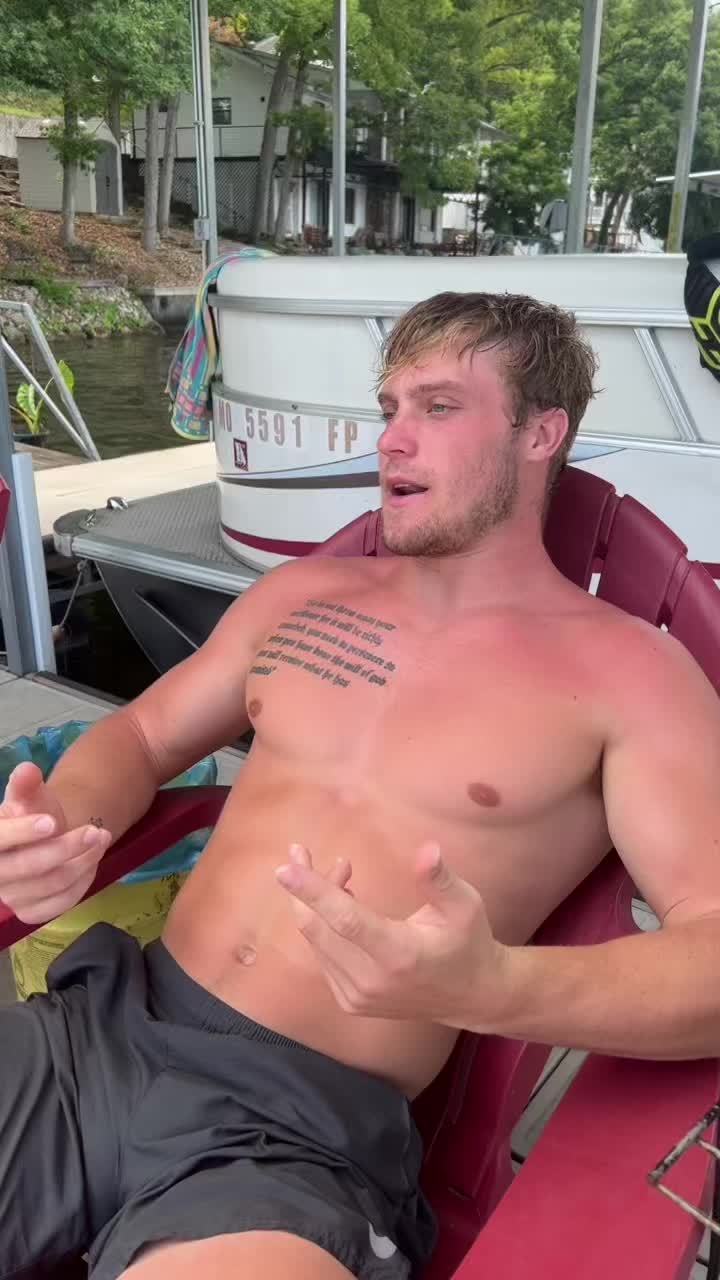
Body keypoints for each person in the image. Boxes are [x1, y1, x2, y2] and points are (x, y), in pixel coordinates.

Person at [2, 290, 720, 1280]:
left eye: (438, 406)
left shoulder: (632, 674)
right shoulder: (304, 595)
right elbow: (141, 730)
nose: (391, 439)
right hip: (100, 1028)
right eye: (388, 408)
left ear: (540, 433)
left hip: (291, 1136)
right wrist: (61, 823)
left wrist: (497, 988)